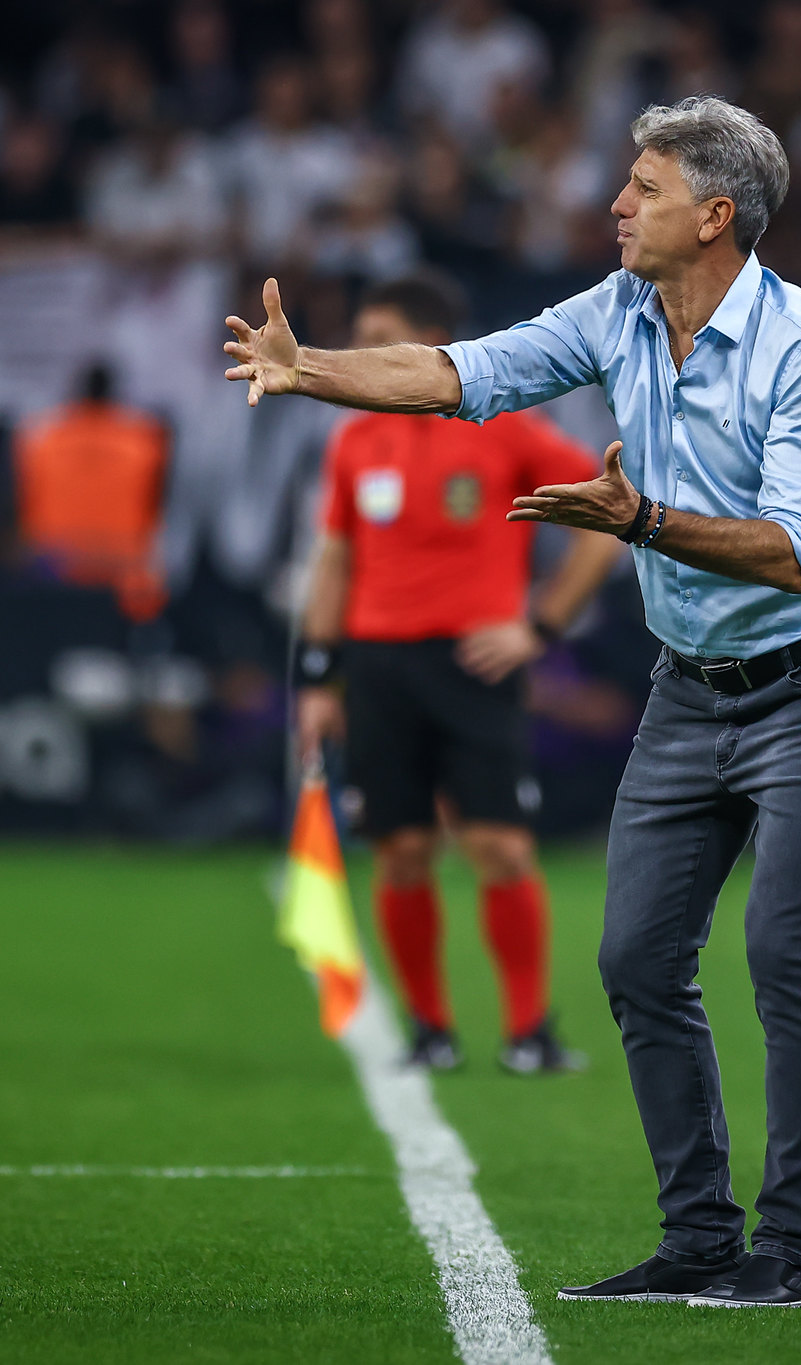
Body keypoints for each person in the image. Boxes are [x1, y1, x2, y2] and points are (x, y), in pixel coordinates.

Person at [230, 94, 801, 1310]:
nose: (615, 205)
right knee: (636, 959)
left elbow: (796, 549)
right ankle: (695, 1239)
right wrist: (306, 366)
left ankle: (788, 1257)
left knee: (782, 956)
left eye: (641, 187)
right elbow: (459, 372)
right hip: (689, 688)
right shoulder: (619, 309)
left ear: (714, 215)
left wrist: (634, 520)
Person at [293, 273, 623, 1074]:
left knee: (499, 845)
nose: (363, 356)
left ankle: (528, 1030)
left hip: (473, 665)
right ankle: (430, 1030)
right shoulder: (356, 437)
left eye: (380, 338)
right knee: (401, 849)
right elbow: (335, 559)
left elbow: (607, 519)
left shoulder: (505, 425)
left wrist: (539, 626)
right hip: (377, 666)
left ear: (426, 345)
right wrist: (317, 677)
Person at [14, 363, 168, 620]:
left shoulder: (42, 438)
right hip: (121, 566)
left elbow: (25, 504)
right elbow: (155, 505)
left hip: (54, 562)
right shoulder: (145, 442)